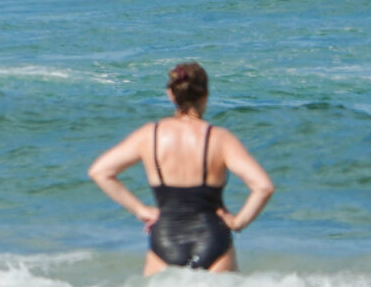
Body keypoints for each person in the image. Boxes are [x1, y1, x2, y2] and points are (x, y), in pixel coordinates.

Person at [88, 61, 275, 274]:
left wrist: (142, 211)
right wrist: (238, 222)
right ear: (205, 95)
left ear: (170, 95)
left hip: (165, 237)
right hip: (212, 236)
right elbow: (263, 187)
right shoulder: (219, 139)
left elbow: (100, 172)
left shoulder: (150, 135)